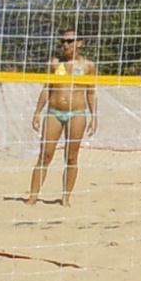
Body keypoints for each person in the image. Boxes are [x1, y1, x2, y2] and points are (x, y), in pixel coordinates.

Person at [27, 29, 97, 204]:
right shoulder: (55, 63)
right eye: (63, 41)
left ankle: (65, 197)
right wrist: (37, 112)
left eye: (70, 41)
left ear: (79, 43)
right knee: (45, 154)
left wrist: (94, 116)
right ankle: (33, 196)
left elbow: (91, 93)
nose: (65, 44)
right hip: (54, 112)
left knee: (72, 157)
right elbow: (47, 88)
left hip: (77, 114)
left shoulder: (88, 65)